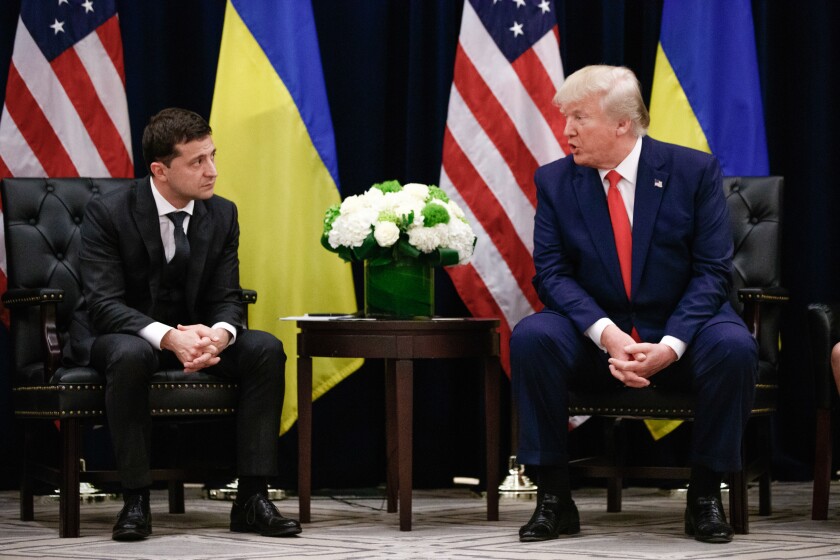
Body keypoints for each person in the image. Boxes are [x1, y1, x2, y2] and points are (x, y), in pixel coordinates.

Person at [511, 65, 757, 544]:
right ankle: (554, 498)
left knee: (734, 347)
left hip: (681, 331)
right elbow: (553, 275)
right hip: (595, 340)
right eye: (566, 119)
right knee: (533, 338)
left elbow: (712, 272)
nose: (567, 131)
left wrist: (670, 345)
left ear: (622, 123)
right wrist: (608, 335)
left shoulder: (693, 171)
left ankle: (705, 495)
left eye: (579, 117)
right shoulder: (556, 181)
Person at [69, 108, 300, 541]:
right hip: (120, 336)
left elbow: (228, 297)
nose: (212, 171)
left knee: (264, 348)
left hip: (194, 336)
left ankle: (252, 497)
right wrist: (170, 337)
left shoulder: (222, 214)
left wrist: (219, 334)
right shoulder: (108, 212)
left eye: (213, 156)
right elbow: (104, 305)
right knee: (132, 353)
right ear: (160, 170)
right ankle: (136, 500)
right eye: (197, 162)